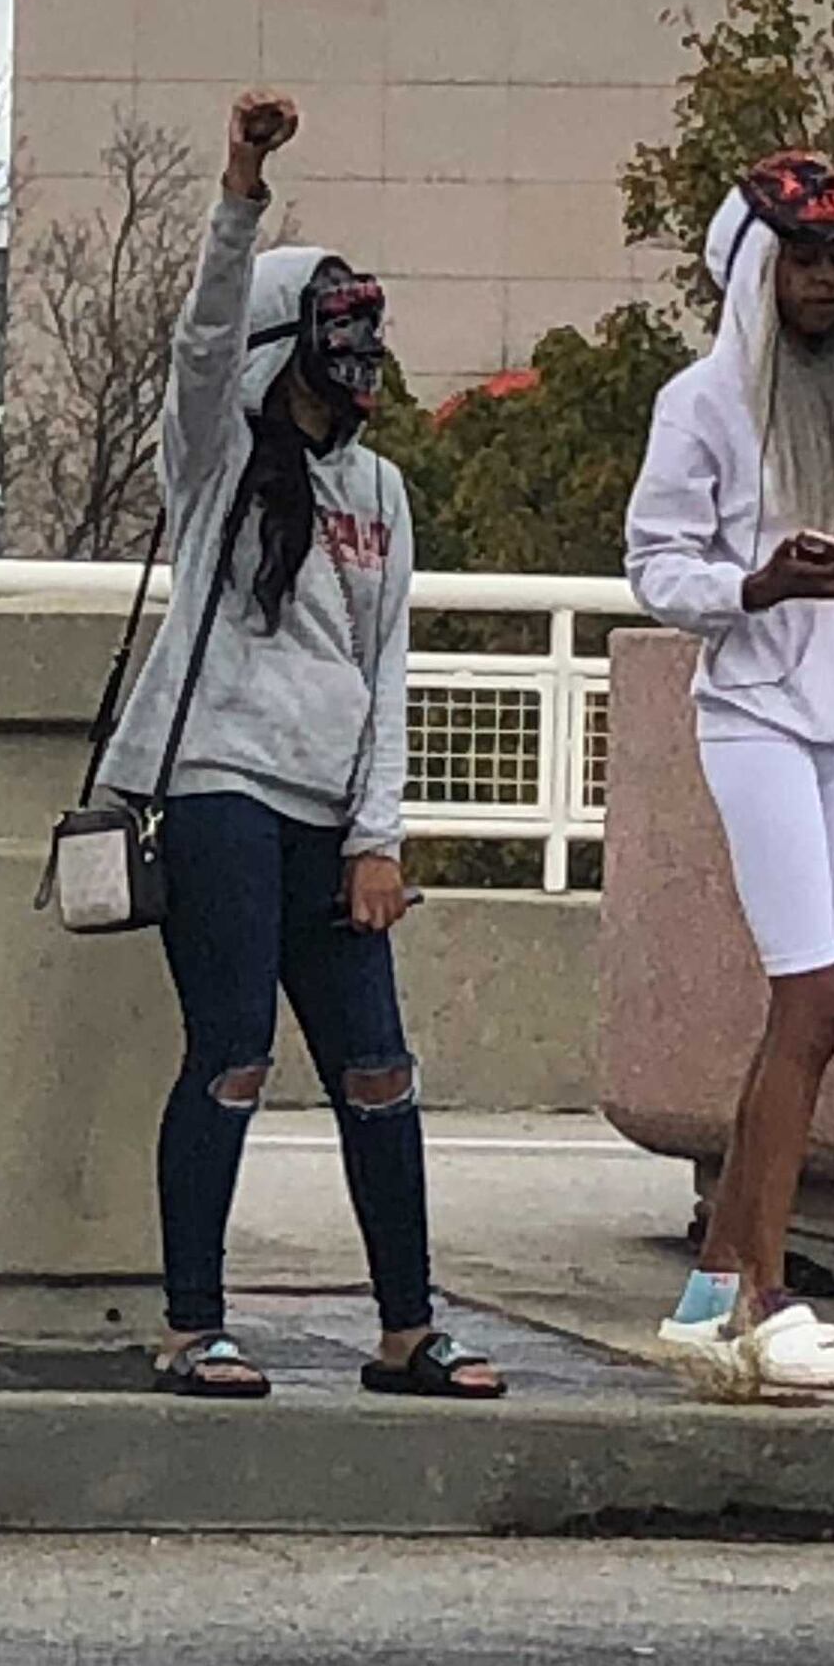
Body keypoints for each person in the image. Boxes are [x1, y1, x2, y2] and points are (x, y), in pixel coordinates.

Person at [109, 89, 501, 1403]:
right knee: (229, 1054)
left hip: (335, 823)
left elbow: (387, 670)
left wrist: (380, 835)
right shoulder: (216, 459)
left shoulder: (381, 494)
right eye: (334, 332)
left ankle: (407, 1329)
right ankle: (191, 1325)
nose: (361, 356)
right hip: (219, 794)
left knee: (378, 1070)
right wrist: (241, 183)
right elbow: (205, 338)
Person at [622, 150, 834, 1400]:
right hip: (754, 711)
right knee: (813, 1003)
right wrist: (757, 586)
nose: (822, 283)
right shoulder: (701, 402)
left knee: (810, 1013)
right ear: (756, 269)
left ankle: (711, 1286)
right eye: (801, 258)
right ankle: (764, 1290)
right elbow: (654, 564)